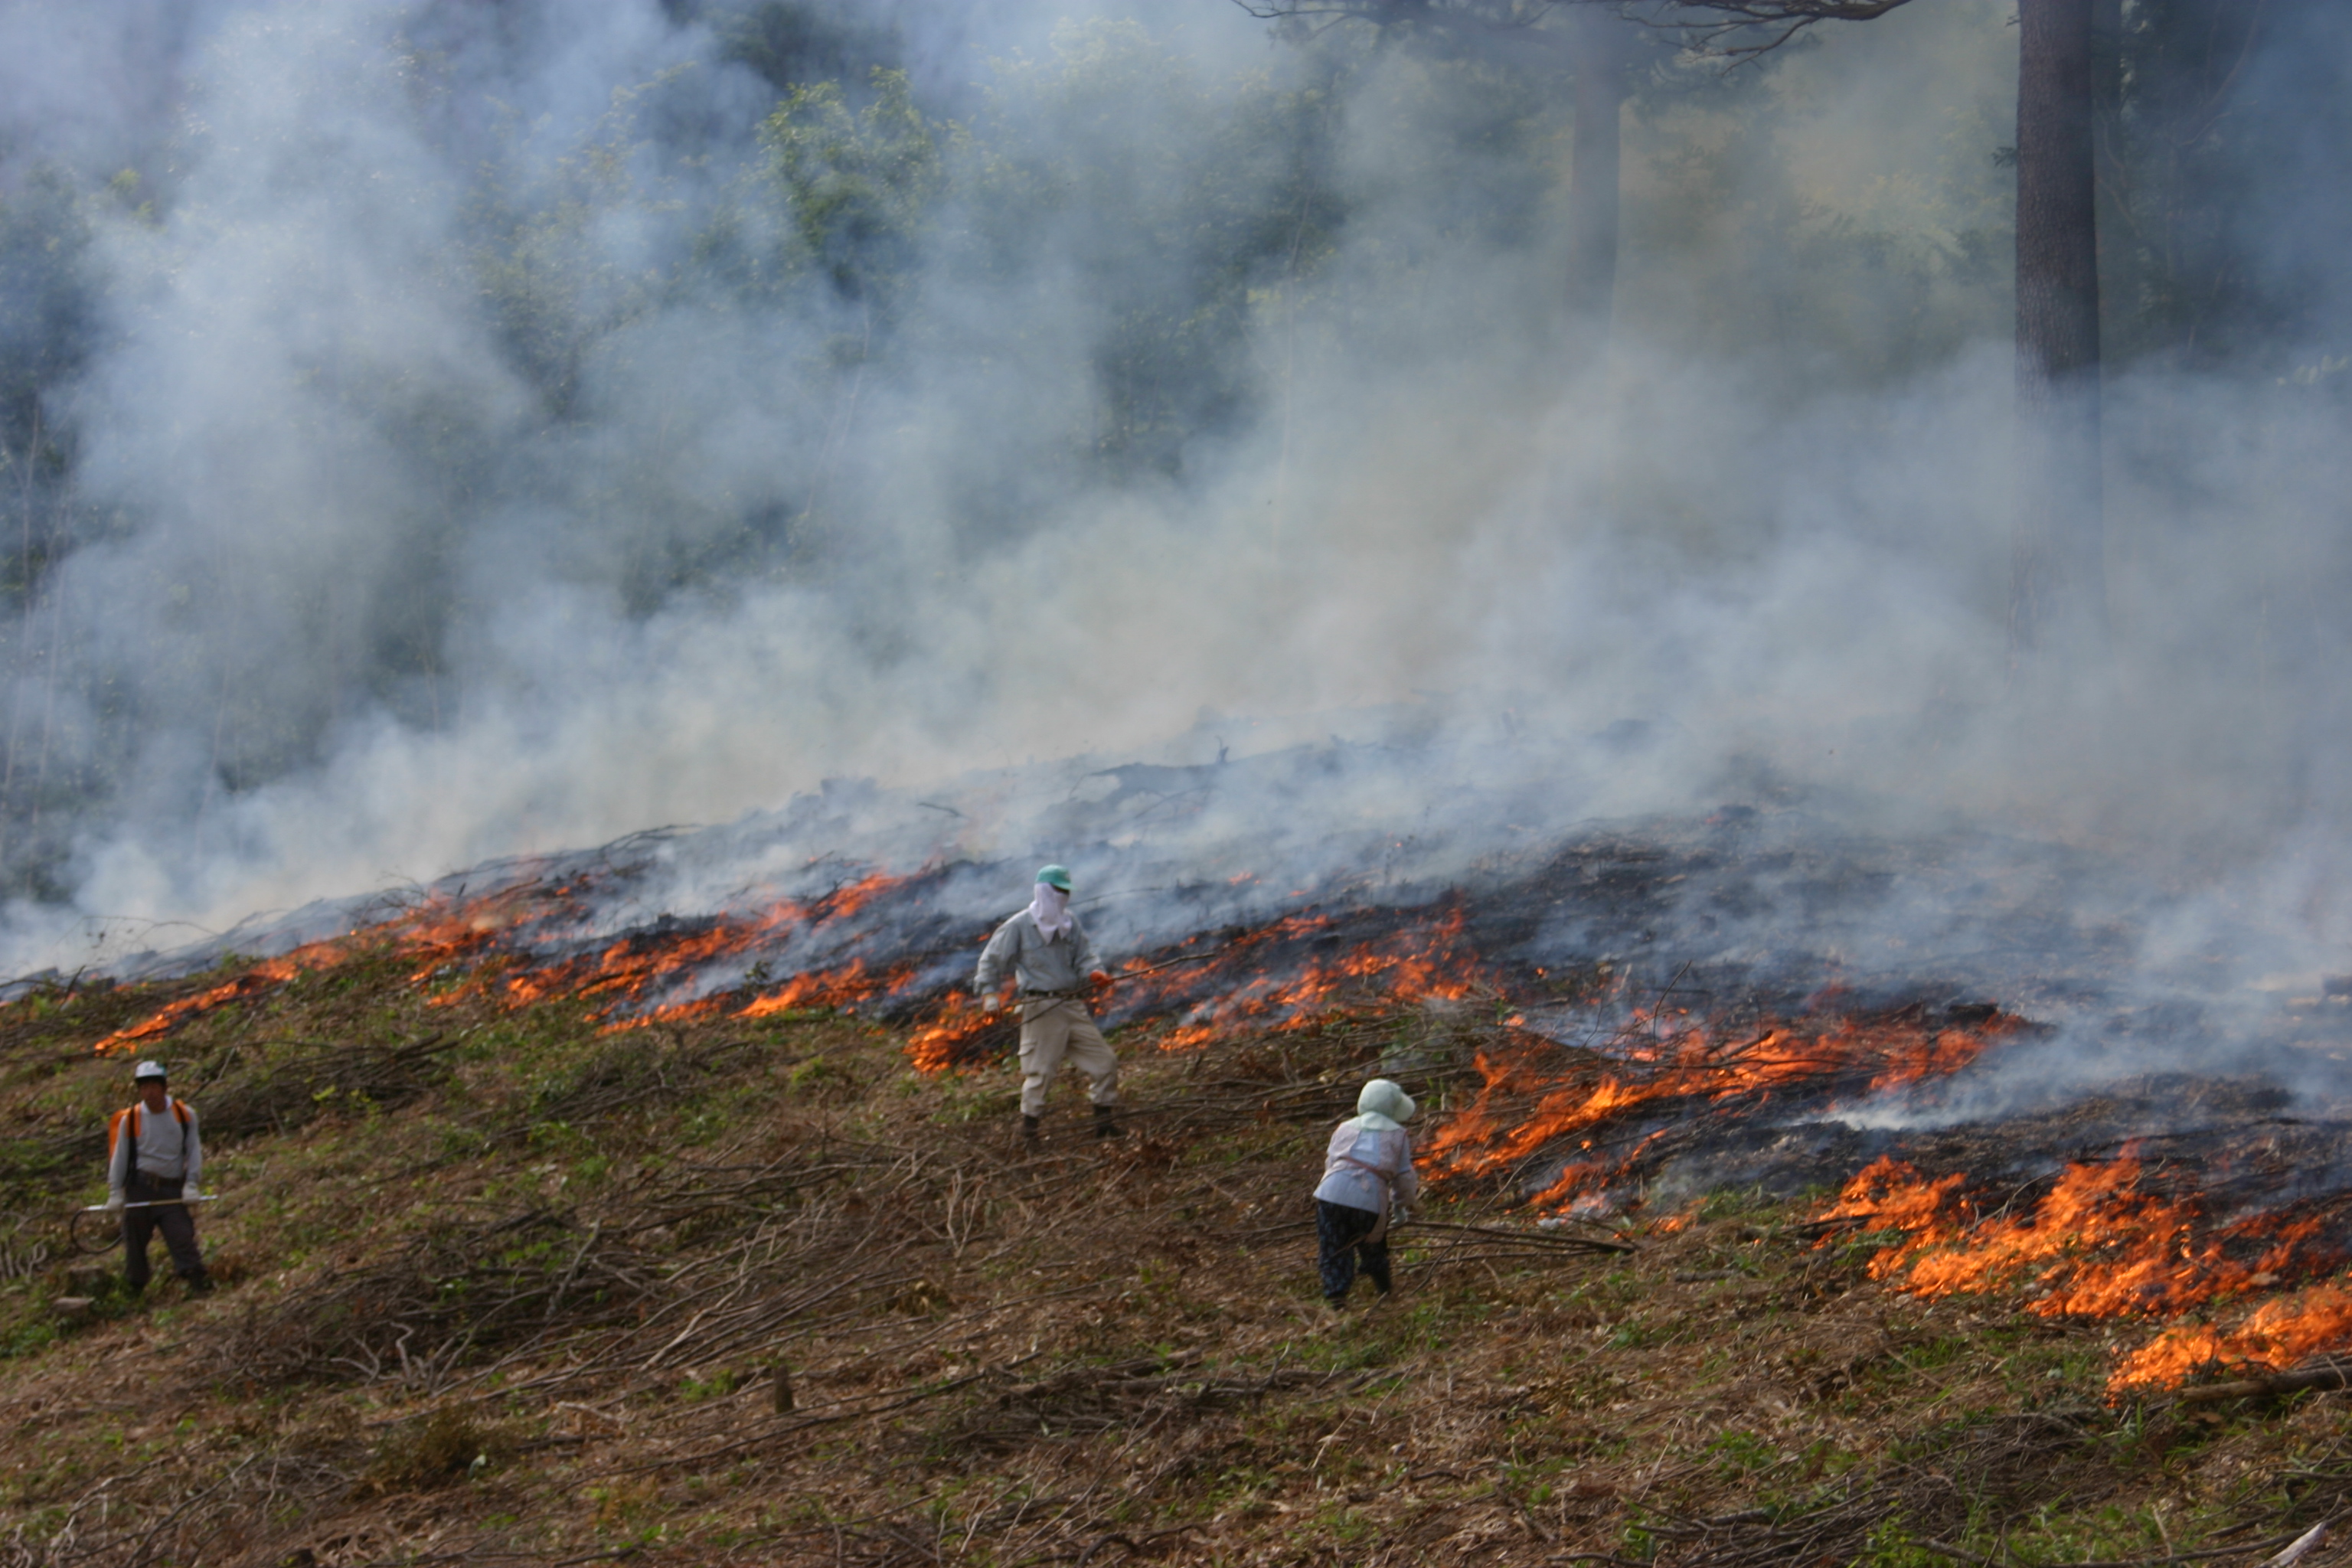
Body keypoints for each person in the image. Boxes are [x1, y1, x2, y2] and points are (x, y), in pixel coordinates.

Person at [974, 864, 1122, 1143]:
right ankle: (1029, 1134)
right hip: (1041, 1008)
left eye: (1066, 891)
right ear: (1044, 891)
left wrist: (1095, 973)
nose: (1064, 896)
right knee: (1040, 1073)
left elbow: (1085, 957)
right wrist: (989, 995)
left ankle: (1104, 1125)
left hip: (1071, 1005)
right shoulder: (1019, 925)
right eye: (1059, 890)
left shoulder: (1070, 923)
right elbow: (990, 960)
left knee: (1105, 1063)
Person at [105, 1060, 211, 1295]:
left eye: (154, 1085)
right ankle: (135, 1288)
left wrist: (192, 1184)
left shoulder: (184, 1115)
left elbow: (193, 1151)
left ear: (164, 1087)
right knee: (135, 1241)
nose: (149, 1092)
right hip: (140, 1187)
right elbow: (120, 1157)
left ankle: (197, 1282)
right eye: (144, 1087)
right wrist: (115, 1191)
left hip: (172, 1188)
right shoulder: (130, 1119)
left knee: (181, 1235)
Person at [1313, 1079, 1419, 1308]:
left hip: (1330, 1192)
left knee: (1333, 1246)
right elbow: (1404, 1177)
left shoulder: (1344, 1127)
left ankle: (1336, 1298)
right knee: (1373, 1244)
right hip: (1368, 1198)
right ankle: (1385, 1292)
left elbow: (1330, 1163)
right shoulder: (1399, 1135)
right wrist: (1402, 1206)